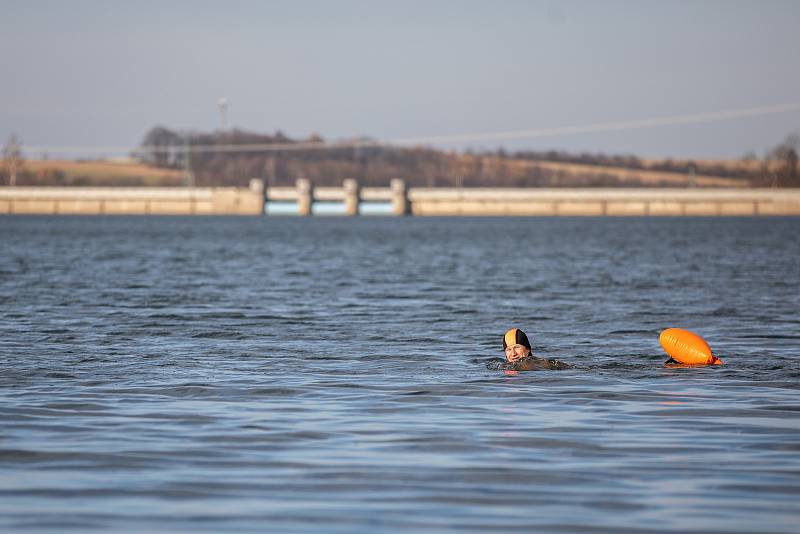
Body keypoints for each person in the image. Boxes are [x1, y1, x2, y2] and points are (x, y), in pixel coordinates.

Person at [499, 327, 570, 371]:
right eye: (509, 349)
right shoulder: (505, 366)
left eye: (517, 347)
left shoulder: (533, 364)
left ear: (528, 349)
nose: (513, 353)